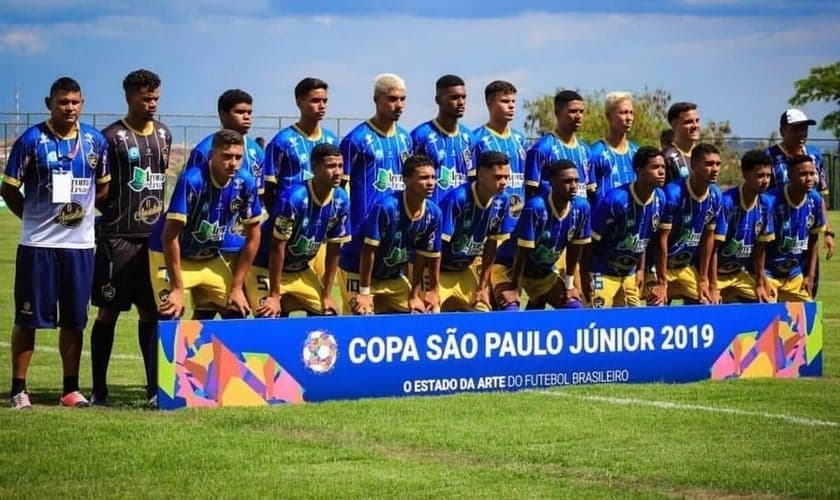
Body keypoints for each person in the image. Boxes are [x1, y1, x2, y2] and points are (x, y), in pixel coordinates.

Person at [2, 77, 109, 409]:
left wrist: (84, 216)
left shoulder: (94, 142)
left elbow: (103, 188)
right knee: (27, 318)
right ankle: (19, 389)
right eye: (63, 102)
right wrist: (34, 221)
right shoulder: (32, 141)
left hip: (79, 247)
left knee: (75, 319)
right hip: (38, 246)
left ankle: (70, 389)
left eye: (75, 102)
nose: (70, 108)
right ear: (49, 103)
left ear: (83, 104)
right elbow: (8, 189)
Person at [90, 69, 172, 407]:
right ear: (129, 97)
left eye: (155, 97)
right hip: (118, 239)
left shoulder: (165, 134)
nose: (151, 103)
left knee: (153, 313)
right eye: (144, 97)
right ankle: (99, 389)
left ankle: (155, 388)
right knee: (108, 312)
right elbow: (100, 190)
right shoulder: (110, 137)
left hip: (154, 242)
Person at [148, 129, 262, 320]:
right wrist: (177, 288)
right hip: (172, 254)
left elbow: (254, 236)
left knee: (237, 309)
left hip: (209, 257)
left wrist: (237, 287)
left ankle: (213, 350)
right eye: (226, 156)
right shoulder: (192, 180)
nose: (233, 163)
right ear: (211, 155)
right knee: (169, 311)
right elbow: (169, 237)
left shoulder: (245, 183)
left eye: (237, 157)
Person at [246, 143, 350, 317]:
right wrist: (274, 295)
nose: (338, 172)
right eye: (331, 166)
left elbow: (334, 249)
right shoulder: (294, 198)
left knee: (328, 313)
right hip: (264, 267)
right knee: (268, 314)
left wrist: (327, 295)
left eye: (340, 166)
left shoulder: (341, 199)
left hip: (300, 270)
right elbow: (277, 248)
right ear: (315, 168)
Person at [186, 89, 265, 318]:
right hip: (211, 249)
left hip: (242, 248)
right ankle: (193, 354)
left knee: (238, 312)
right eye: (240, 112)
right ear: (222, 115)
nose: (247, 117)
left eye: (250, 112)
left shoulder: (257, 152)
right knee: (206, 313)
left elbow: (257, 200)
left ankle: (232, 356)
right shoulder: (204, 150)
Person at [338, 154, 442, 315]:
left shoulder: (434, 213)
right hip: (357, 271)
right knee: (362, 314)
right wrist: (364, 293)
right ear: (406, 180)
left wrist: (415, 295)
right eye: (423, 178)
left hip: (392, 276)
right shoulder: (386, 208)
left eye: (433, 177)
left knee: (422, 313)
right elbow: (368, 252)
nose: (430, 183)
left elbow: (423, 256)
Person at [492, 159, 590, 311]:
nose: (574, 186)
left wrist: (569, 285)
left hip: (542, 272)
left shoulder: (582, 208)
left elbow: (574, 249)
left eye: (576, 181)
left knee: (574, 308)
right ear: (551, 181)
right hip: (510, 267)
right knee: (510, 309)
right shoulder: (536, 207)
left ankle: (537, 304)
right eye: (567, 181)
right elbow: (521, 252)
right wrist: (514, 288)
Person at [586, 146, 666, 308]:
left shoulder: (660, 198)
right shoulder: (615, 200)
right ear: (639, 170)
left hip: (629, 274)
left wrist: (641, 269)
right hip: (602, 271)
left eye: (663, 167)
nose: (661, 172)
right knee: (596, 324)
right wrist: (586, 274)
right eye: (655, 167)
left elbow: (644, 236)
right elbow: (591, 241)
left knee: (634, 325)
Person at [649, 143, 724, 305]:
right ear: (694, 165)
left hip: (685, 267)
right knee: (657, 302)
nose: (715, 169)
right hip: (660, 266)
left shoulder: (715, 195)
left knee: (707, 302)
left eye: (718, 164)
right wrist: (662, 282)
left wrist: (704, 279)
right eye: (709, 164)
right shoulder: (672, 193)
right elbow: (660, 240)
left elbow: (708, 237)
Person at [765, 109, 834, 285]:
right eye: (796, 128)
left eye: (804, 128)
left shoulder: (814, 156)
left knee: (809, 282)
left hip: (806, 231)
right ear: (783, 131)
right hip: (778, 232)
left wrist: (828, 231)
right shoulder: (769, 157)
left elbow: (820, 197)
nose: (802, 133)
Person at [438, 151, 512, 312]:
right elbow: (436, 247)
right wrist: (431, 289)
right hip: (438, 270)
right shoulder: (458, 198)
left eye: (507, 177)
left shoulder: (503, 200)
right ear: (481, 175)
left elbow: (491, 245)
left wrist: (482, 287)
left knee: (482, 310)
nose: (504, 182)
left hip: (464, 270)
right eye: (498, 177)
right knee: (430, 313)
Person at [341, 73, 413, 230]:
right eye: (392, 99)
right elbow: (340, 188)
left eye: (403, 99)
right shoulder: (355, 139)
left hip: (396, 227)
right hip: (362, 229)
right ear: (376, 99)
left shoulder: (405, 138)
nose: (399, 105)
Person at [711, 150, 775, 303]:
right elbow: (713, 247)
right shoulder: (727, 202)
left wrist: (761, 281)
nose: (765, 180)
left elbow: (761, 247)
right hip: (716, 274)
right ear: (745, 175)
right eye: (760, 176)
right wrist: (712, 284)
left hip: (739, 273)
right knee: (708, 302)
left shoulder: (766, 204)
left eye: (768, 175)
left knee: (768, 300)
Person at [263, 77, 340, 202]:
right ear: (299, 102)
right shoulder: (282, 141)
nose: (322, 106)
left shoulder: (332, 140)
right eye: (315, 101)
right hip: (291, 217)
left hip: (320, 217)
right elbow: (269, 188)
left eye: (325, 101)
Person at [763, 154, 826, 302]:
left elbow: (814, 238)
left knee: (810, 314)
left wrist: (810, 275)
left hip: (793, 274)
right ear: (790, 175)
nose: (809, 178)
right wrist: (760, 277)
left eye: (812, 173)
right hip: (769, 272)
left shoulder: (815, 199)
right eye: (803, 174)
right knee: (769, 315)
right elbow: (760, 244)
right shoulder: (771, 201)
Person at [411, 74, 475, 205]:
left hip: (460, 218)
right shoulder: (420, 136)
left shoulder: (470, 138)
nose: (461, 102)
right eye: (454, 97)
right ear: (438, 99)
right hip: (429, 216)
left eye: (464, 97)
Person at [472, 81, 528, 220]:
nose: (511, 106)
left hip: (518, 216)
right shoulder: (477, 139)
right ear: (489, 102)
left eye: (513, 101)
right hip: (489, 217)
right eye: (505, 101)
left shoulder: (520, 139)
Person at [525, 90, 590, 200]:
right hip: (551, 216)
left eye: (581, 111)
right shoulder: (542, 148)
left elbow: (590, 192)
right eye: (573, 111)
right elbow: (531, 192)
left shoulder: (585, 150)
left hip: (578, 215)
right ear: (557, 112)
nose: (579, 116)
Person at [588, 91, 639, 207]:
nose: (629, 118)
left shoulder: (636, 152)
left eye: (631, 113)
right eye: (623, 113)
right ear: (609, 116)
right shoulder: (595, 153)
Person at [662, 102, 700, 184]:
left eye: (697, 121)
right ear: (674, 125)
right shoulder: (667, 158)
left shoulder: (704, 155)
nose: (695, 126)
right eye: (689, 122)